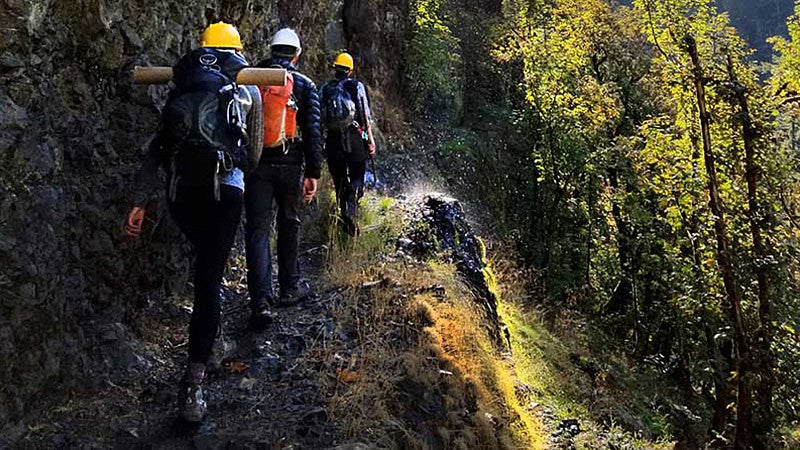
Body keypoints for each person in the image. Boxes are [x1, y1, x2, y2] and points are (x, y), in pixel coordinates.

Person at [124, 22, 263, 424]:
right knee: (208, 280)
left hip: (181, 192)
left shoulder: (182, 86)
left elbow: (161, 144)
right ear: (237, 52)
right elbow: (252, 155)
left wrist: (139, 199)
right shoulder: (247, 90)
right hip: (226, 193)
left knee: (204, 264)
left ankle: (211, 333)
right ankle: (194, 382)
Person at [245, 28, 323, 318]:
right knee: (290, 222)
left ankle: (260, 302)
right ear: (297, 55)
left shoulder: (252, 79)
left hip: (256, 165)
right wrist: (313, 172)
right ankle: (290, 287)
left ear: (272, 50)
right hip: (290, 165)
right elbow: (314, 132)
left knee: (257, 230)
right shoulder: (303, 84)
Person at [320, 52, 376, 236]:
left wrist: (320, 145)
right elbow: (364, 117)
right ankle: (352, 205)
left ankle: (344, 215)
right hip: (355, 137)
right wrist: (370, 141)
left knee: (339, 180)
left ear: (335, 69)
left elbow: (319, 118)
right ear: (350, 70)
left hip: (333, 140)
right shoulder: (357, 86)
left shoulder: (325, 88)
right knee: (358, 176)